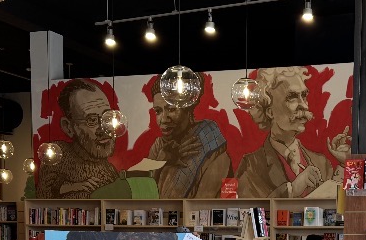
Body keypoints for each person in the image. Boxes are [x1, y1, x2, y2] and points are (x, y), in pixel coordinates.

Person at [236, 67, 347, 198]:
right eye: (292, 97)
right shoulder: (251, 166)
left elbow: (339, 208)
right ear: (270, 111)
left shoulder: (322, 163)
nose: (304, 106)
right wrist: (292, 189)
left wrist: (344, 164)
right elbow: (248, 212)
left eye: (304, 96)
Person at [147, 78, 232, 198]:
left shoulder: (210, 145)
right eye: (158, 111)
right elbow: (144, 195)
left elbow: (203, 207)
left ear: (188, 108)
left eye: (171, 109)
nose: (164, 119)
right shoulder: (159, 146)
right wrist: (162, 160)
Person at [37, 79, 120, 199]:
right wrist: (75, 186)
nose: (103, 129)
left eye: (107, 118)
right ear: (68, 127)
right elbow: (44, 196)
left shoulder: (109, 170)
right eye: (92, 120)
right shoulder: (58, 155)